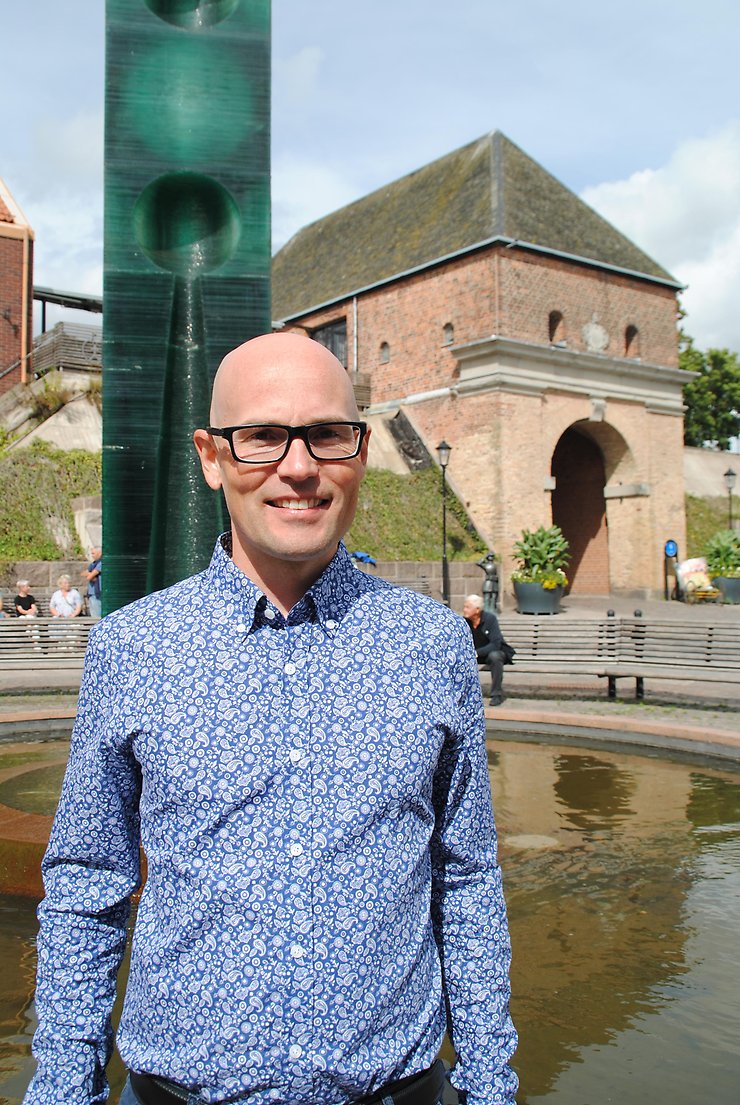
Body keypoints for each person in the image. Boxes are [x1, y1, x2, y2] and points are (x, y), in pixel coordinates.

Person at [24, 333, 518, 1105]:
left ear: (360, 450)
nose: (299, 466)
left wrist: (490, 1088)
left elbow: (467, 880)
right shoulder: (133, 648)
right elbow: (87, 886)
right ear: (211, 456)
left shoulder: (433, 646)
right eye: (261, 436)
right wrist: (62, 1088)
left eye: (327, 433)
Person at [462, 593, 506, 707]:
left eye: (467, 607)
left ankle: (496, 694)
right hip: (473, 655)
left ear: (477, 610)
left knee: (495, 657)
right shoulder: (464, 622)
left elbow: (496, 643)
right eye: (464, 607)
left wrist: (477, 653)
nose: (464, 610)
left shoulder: (490, 619)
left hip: (489, 654)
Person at [83, 547, 103, 619]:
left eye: (93, 553)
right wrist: (90, 574)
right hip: (91, 593)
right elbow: (83, 573)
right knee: (93, 614)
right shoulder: (93, 564)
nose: (92, 555)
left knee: (96, 616)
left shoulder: (101, 563)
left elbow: (89, 577)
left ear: (99, 553)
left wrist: (90, 574)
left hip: (98, 594)